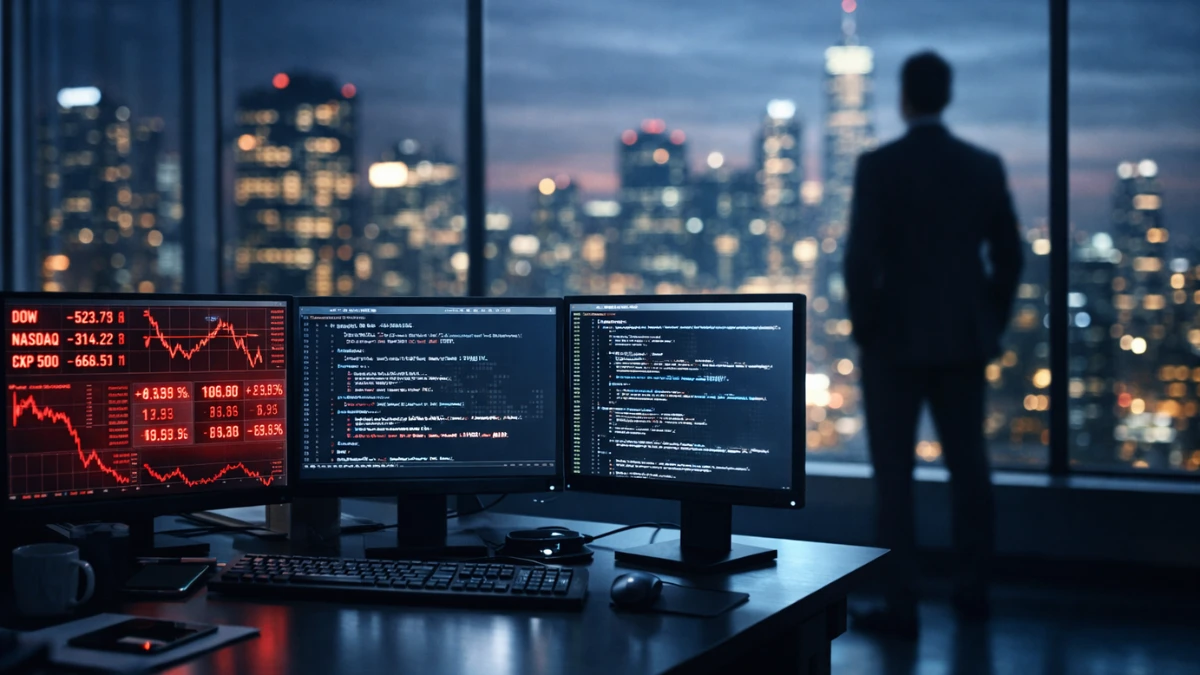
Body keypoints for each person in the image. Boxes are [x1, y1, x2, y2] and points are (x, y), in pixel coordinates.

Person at [843, 51, 1024, 639]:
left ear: (904, 98)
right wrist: (987, 320)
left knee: (893, 478)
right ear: (946, 96)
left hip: (892, 342)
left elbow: (859, 258)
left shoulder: (879, 166)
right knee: (969, 469)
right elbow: (1010, 256)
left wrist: (866, 328)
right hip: (962, 341)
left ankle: (901, 606)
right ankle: (974, 593)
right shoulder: (982, 166)